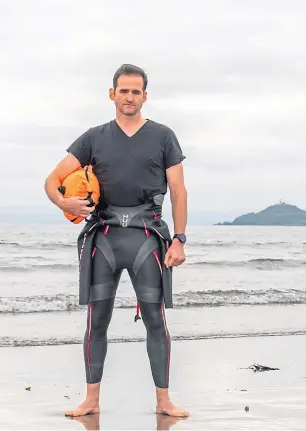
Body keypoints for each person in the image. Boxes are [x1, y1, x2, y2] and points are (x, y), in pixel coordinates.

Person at [44, 64, 189, 418]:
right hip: (104, 238)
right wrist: (63, 201)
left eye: (136, 91)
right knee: (97, 321)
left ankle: (164, 402)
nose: (129, 97)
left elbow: (179, 192)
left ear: (145, 96)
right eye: (123, 91)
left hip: (147, 239)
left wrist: (180, 239)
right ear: (112, 94)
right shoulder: (94, 138)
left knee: (156, 320)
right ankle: (91, 400)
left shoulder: (163, 136)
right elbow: (52, 179)